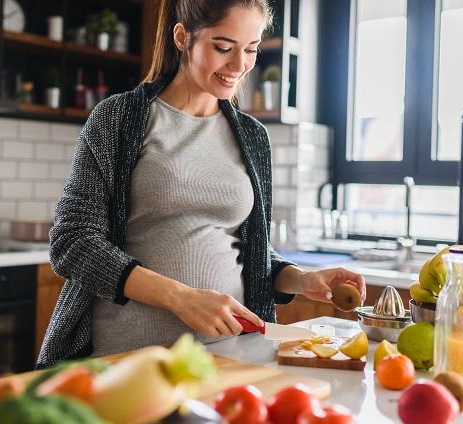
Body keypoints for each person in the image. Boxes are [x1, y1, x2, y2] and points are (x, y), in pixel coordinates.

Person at [37, 0, 365, 367]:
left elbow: (249, 255)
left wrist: (300, 280)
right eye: (223, 47)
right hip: (127, 357)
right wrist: (182, 298)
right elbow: (73, 242)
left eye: (251, 49)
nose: (239, 65)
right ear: (182, 37)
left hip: (225, 356)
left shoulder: (253, 137)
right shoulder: (120, 118)